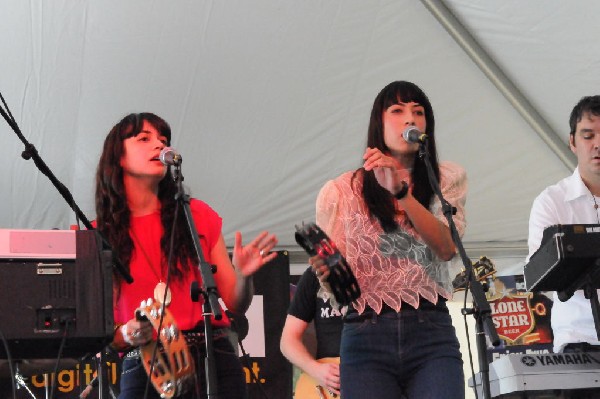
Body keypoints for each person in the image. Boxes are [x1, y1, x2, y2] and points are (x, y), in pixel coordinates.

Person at [95, 112, 278, 399]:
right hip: (145, 365)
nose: (158, 145)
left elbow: (235, 303)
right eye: (144, 138)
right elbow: (99, 331)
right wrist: (125, 335)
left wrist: (243, 275)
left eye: (163, 139)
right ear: (118, 157)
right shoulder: (98, 235)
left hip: (212, 354)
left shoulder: (196, 215)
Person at [311, 81, 467, 399]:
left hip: (431, 331)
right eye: (397, 111)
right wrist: (329, 274)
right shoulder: (341, 191)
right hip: (365, 335)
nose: (409, 119)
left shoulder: (445, 179)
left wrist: (401, 192)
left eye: (418, 112)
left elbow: (447, 247)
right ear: (378, 124)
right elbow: (340, 288)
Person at [527, 95, 600, 353]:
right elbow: (537, 274)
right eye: (588, 136)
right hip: (578, 337)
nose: (597, 145)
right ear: (572, 142)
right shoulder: (551, 201)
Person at [280, 266, 344, 397]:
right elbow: (288, 340)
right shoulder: (316, 273)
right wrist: (316, 370)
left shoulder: (387, 272)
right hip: (326, 387)